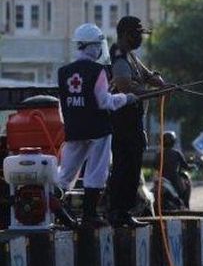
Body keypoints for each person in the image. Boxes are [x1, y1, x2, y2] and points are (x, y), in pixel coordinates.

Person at [57, 23, 137, 228]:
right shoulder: (97, 70)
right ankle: (89, 215)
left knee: (65, 173)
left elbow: (63, 102)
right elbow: (104, 102)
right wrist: (126, 98)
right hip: (98, 128)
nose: (100, 49)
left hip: (74, 128)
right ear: (92, 46)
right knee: (96, 171)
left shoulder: (64, 71)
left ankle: (54, 206)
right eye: (98, 45)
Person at [108, 16, 166, 227]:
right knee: (125, 168)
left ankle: (123, 211)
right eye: (137, 34)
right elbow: (124, 86)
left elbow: (146, 75)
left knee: (132, 168)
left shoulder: (130, 56)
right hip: (123, 121)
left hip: (133, 120)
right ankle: (118, 212)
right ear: (126, 35)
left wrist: (158, 81)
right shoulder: (119, 56)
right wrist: (153, 93)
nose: (140, 38)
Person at [158, 131, 193, 208]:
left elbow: (154, 165)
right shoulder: (176, 153)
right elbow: (185, 165)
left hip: (161, 178)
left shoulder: (159, 153)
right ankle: (185, 206)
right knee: (184, 189)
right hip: (173, 178)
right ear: (173, 141)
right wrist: (192, 166)